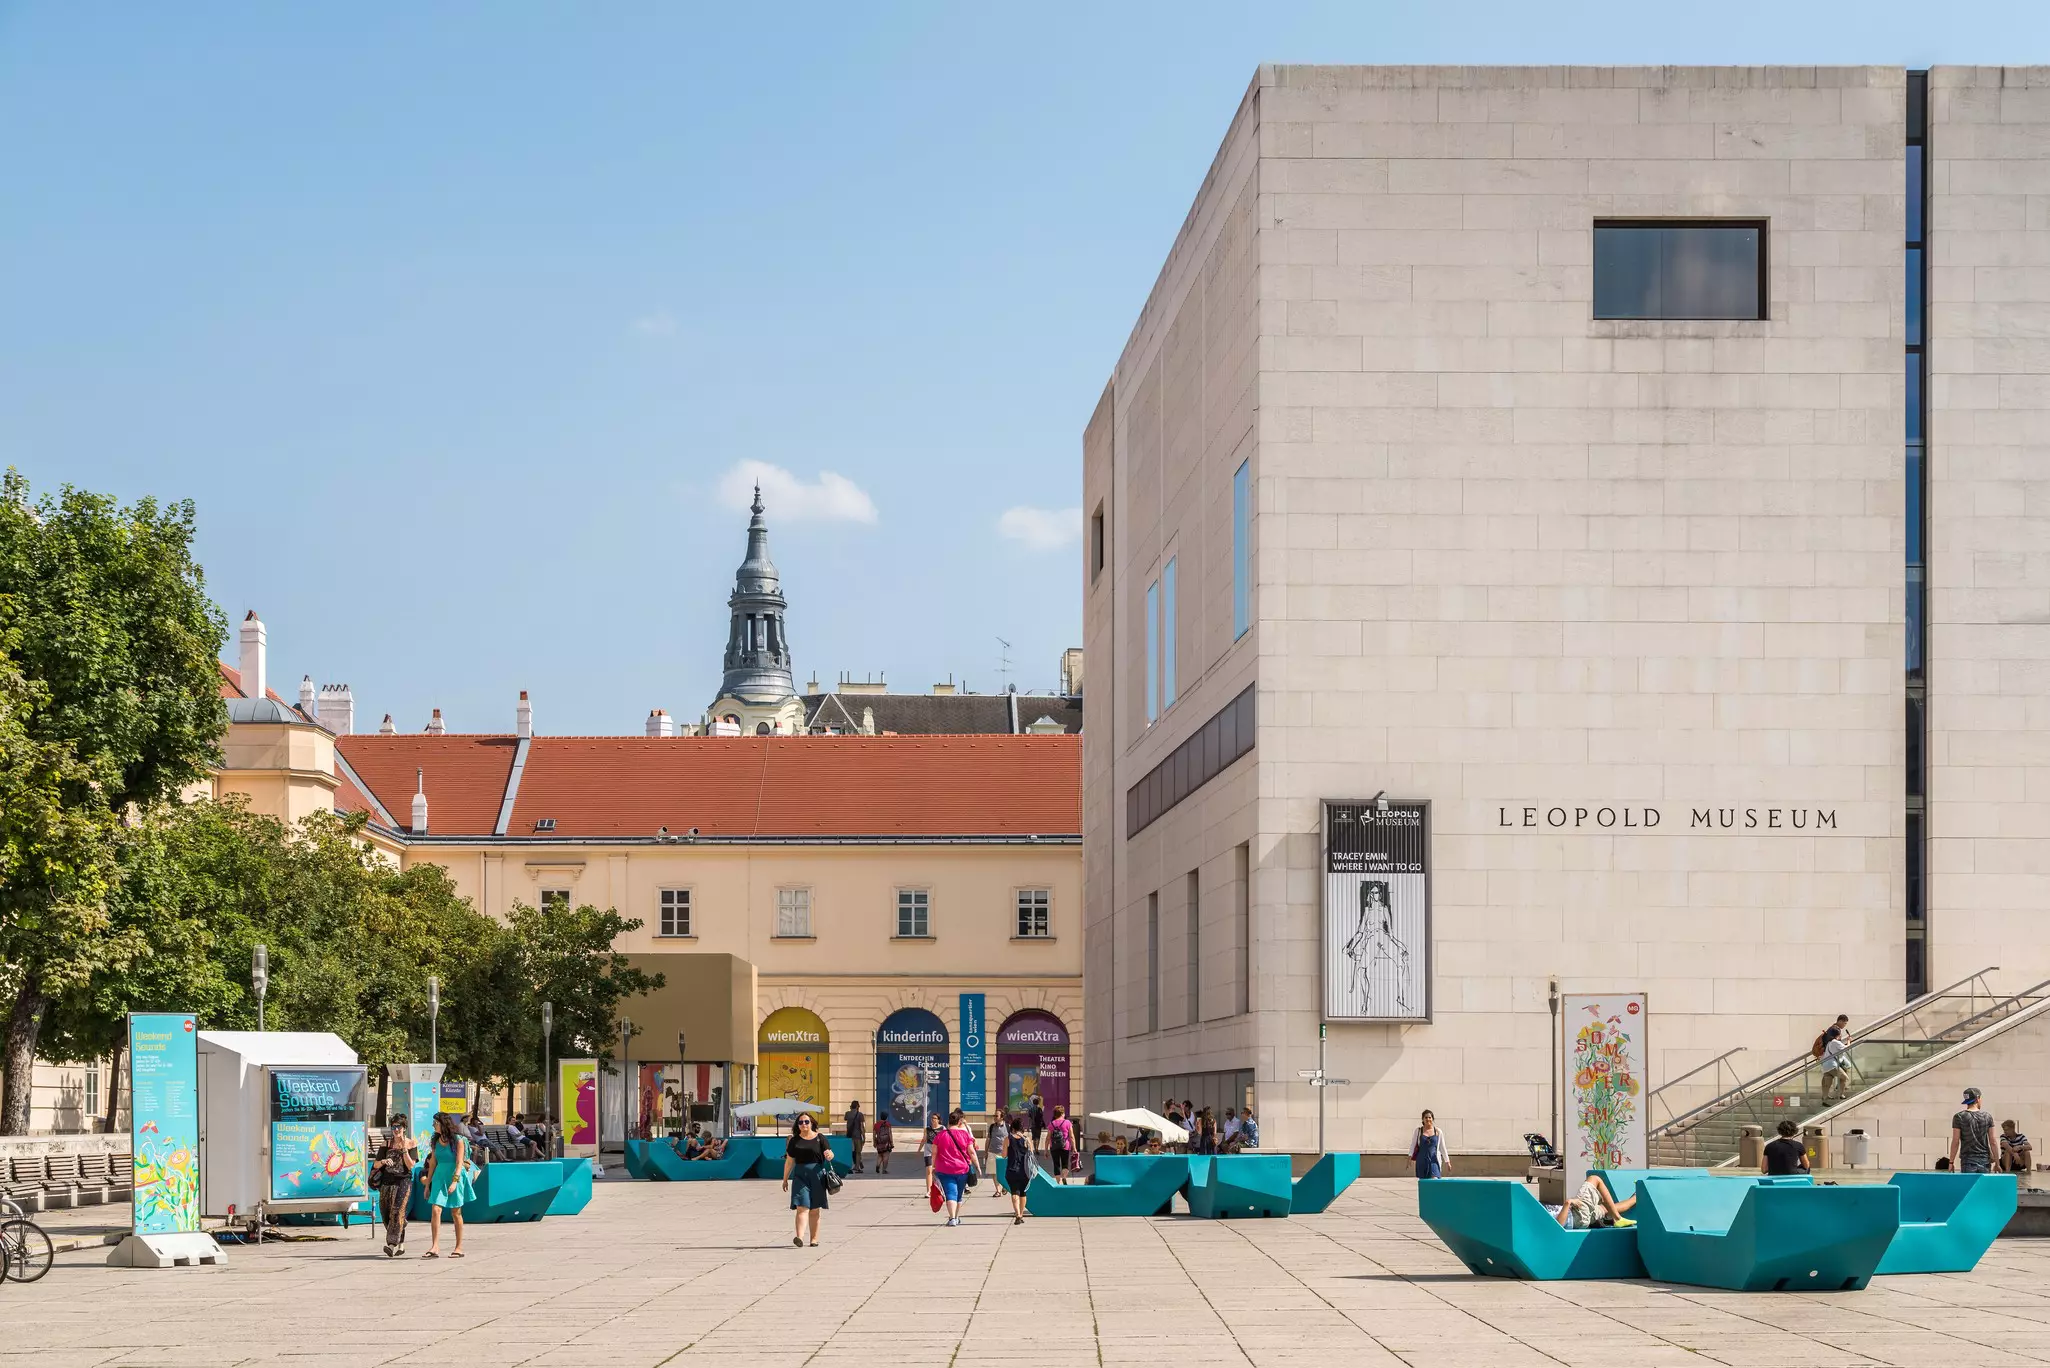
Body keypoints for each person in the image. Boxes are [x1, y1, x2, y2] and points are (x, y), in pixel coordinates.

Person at [421, 1111, 476, 1258]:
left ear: (443, 1123)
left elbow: (459, 1163)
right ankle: (435, 1247)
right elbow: (433, 1162)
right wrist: (428, 1184)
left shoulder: (458, 1140)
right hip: (439, 1177)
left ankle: (458, 1247)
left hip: (455, 1175)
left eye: (435, 1122)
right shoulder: (435, 1141)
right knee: (435, 1209)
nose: (433, 1125)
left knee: (455, 1212)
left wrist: (455, 1181)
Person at [781, 1112, 830, 1247]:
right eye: (801, 1122)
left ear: (812, 1123)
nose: (804, 1124)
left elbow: (830, 1152)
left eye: (806, 1122)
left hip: (817, 1175)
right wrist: (785, 1179)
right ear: (798, 1125)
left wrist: (829, 1154)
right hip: (800, 1176)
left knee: (814, 1209)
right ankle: (800, 1237)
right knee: (801, 1206)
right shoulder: (794, 1141)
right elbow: (790, 1161)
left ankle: (814, 1238)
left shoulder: (820, 1138)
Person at [375, 1114, 419, 1258]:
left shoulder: (411, 1143)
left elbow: (411, 1165)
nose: (396, 1130)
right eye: (393, 1127)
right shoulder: (386, 1144)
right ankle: (402, 1226)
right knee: (386, 1214)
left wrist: (404, 1149)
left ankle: (391, 1245)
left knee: (397, 1211)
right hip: (387, 1182)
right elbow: (376, 1164)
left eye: (398, 1127)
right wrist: (383, 1161)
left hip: (403, 1182)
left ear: (404, 1128)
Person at [929, 1107, 977, 1227]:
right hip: (962, 1169)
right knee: (958, 1195)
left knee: (950, 1194)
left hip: (945, 1169)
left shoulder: (940, 1135)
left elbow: (934, 1152)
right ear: (959, 1122)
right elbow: (971, 1152)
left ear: (948, 1122)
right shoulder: (965, 1135)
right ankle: (955, 1217)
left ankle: (952, 1218)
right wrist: (977, 1166)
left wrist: (933, 1165)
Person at [1554, 1173, 1635, 1230]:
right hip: (1577, 1214)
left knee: (1607, 1208)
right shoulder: (1542, 1221)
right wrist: (1568, 1203)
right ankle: (1617, 1218)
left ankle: (1637, 1196)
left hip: (1581, 1221)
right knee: (1595, 1179)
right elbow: (1558, 1226)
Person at [1952, 1087, 1998, 1174]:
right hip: (1985, 1161)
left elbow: (1955, 1141)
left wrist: (1951, 1162)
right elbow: (1993, 1141)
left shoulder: (1959, 1117)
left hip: (1967, 1160)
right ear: (1977, 1099)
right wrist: (1997, 1163)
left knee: (1968, 1186)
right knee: (1983, 1187)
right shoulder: (1987, 1116)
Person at [1004, 1113, 1035, 1223]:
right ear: (1022, 1128)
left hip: (1011, 1170)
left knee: (1014, 1192)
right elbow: (1031, 1153)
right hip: (1025, 1171)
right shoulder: (1027, 1139)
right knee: (1023, 1193)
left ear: (1012, 1127)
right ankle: (1021, 1214)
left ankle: (1017, 1214)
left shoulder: (1008, 1139)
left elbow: (1004, 1155)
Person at [1411, 1109, 1450, 1180]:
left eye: (1430, 1117)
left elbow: (1442, 1147)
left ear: (1432, 1119)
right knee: (1423, 1182)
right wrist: (1409, 1158)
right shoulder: (1418, 1131)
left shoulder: (1438, 1131)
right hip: (1422, 1160)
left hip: (1434, 1160)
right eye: (1426, 1117)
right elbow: (1413, 1145)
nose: (1428, 1119)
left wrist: (1447, 1161)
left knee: (1435, 1179)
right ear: (1422, 1119)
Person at [1819, 1031, 1854, 1102]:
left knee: (1828, 1082)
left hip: (1826, 1066)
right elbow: (1846, 1048)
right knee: (1844, 1078)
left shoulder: (1829, 1043)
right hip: (1832, 1065)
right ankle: (1840, 1095)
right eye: (1840, 1034)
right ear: (1838, 1035)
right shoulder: (1835, 1042)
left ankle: (1825, 1097)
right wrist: (1848, 1041)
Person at [1046, 1104, 1077, 1183]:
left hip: (1054, 1146)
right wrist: (1074, 1148)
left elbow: (1048, 1137)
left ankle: (1057, 1181)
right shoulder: (1067, 1122)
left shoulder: (1051, 1124)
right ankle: (1064, 1177)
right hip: (1065, 1146)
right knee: (1065, 1164)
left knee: (1056, 1164)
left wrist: (1046, 1150)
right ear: (1062, 1113)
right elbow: (1072, 1136)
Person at [985, 1111, 1011, 1199]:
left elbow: (1011, 1140)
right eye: (994, 1116)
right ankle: (998, 1190)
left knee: (1004, 1172)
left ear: (1002, 1117)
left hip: (1004, 1153)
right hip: (992, 1152)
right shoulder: (992, 1127)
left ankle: (1004, 1186)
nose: (995, 1117)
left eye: (996, 1116)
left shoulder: (1008, 1127)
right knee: (993, 1172)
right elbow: (988, 1139)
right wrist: (986, 1152)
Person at [844, 1101, 867, 1174]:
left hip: (849, 1135)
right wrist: (864, 1136)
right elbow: (861, 1126)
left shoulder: (847, 1113)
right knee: (858, 1152)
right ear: (857, 1106)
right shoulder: (860, 1115)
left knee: (850, 1151)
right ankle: (857, 1167)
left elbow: (846, 1119)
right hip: (857, 1136)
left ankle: (849, 1166)